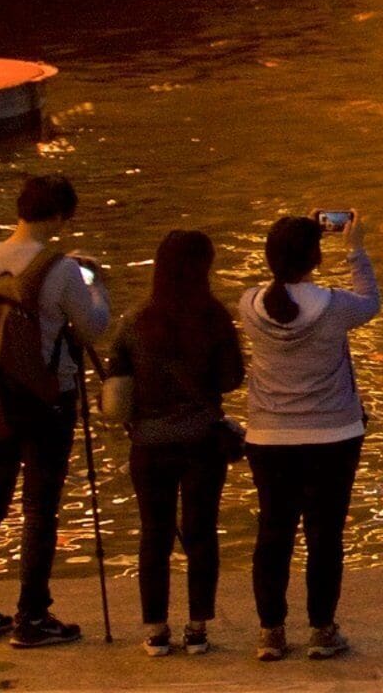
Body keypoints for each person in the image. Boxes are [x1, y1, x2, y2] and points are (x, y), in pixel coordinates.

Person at [0, 173, 114, 650]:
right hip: (46, 399)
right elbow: (95, 329)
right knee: (39, 509)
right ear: (60, 215)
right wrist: (96, 285)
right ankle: (32, 616)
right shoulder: (60, 268)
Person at [244, 210, 380, 660]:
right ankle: (321, 630)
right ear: (316, 258)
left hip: (268, 436)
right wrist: (355, 248)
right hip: (334, 434)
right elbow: (372, 300)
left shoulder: (249, 305)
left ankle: (271, 632)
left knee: (273, 532)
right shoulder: (336, 307)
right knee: (325, 535)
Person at [104, 228, 245, 657]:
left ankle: (156, 630)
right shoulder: (215, 318)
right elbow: (232, 378)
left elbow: (116, 393)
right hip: (202, 440)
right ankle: (197, 627)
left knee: (154, 535)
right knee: (201, 532)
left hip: (148, 445)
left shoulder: (133, 323)